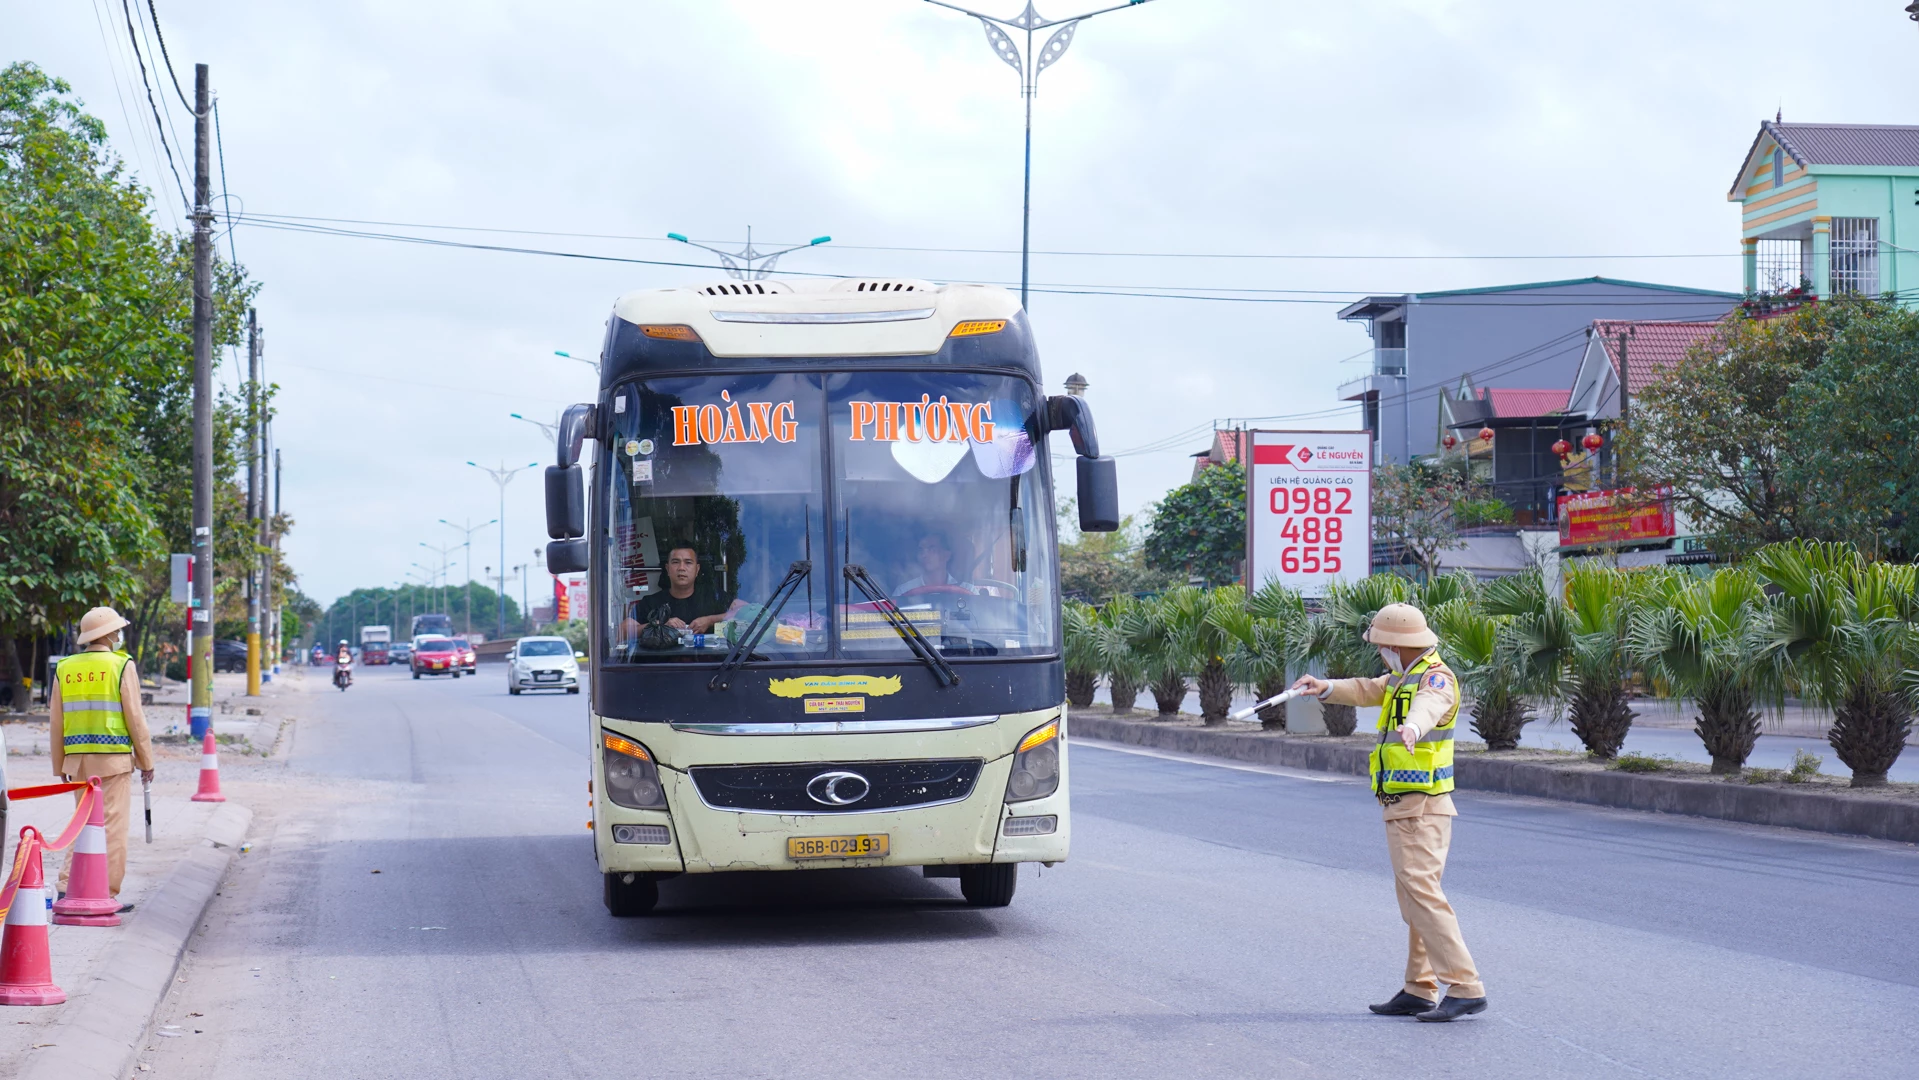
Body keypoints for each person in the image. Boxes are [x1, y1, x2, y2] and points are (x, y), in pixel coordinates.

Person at [1289, 602, 1486, 1023]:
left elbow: (1431, 705)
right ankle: (1419, 987)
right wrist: (1324, 686)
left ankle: (1465, 986)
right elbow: (1367, 689)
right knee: (1413, 898)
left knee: (1423, 896)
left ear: (1398, 644)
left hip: (1421, 804)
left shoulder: (1434, 677)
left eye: (1382, 645)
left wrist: (1414, 727)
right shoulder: (1404, 676)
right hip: (1403, 802)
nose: (1380, 652)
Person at [49, 606, 156, 907]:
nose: (119, 635)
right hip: (113, 762)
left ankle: (66, 886)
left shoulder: (65, 667)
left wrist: (59, 765)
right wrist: (147, 761)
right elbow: (135, 719)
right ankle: (105, 893)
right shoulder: (121, 666)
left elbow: (56, 722)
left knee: (83, 824)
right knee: (112, 828)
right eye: (117, 631)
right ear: (109, 634)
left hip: (77, 763)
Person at [622, 544, 745, 644]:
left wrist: (710, 620)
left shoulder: (713, 597)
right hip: (661, 669)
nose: (681, 568)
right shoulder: (651, 602)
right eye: (676, 562)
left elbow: (747, 611)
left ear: (697, 570)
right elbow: (622, 633)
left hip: (709, 668)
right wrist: (660, 625)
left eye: (688, 562)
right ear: (668, 568)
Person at [894, 531, 979, 594]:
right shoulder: (903, 591)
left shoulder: (968, 591)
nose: (924, 555)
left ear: (946, 555)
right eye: (921, 550)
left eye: (932, 549)